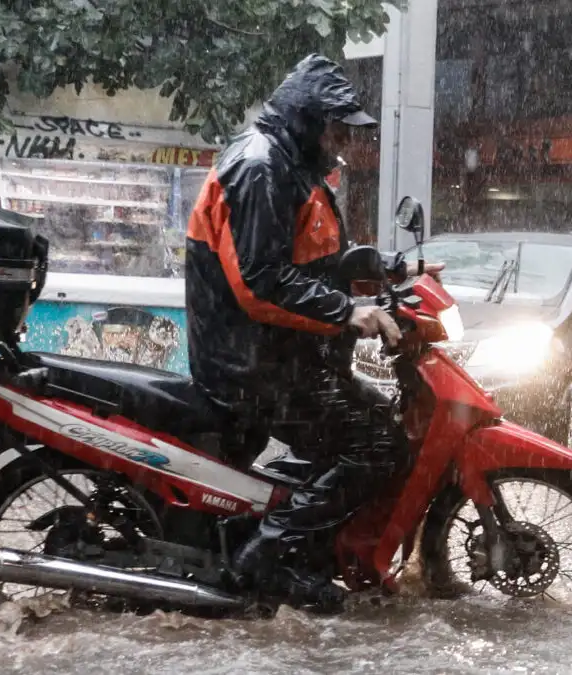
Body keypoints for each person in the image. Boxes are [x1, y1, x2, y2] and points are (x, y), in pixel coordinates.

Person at [184, 54, 440, 611]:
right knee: (375, 443)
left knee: (372, 425)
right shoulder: (259, 168)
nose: (340, 136)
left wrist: (398, 269)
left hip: (283, 358)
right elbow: (262, 282)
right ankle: (268, 558)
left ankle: (304, 548)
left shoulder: (292, 165)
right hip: (251, 366)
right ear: (305, 117)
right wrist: (348, 313)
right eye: (334, 124)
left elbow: (322, 258)